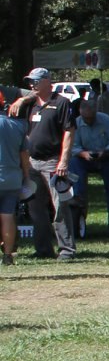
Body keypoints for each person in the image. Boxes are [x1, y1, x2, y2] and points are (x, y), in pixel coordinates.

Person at [13, 68, 76, 260]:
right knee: (35, 208)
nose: (32, 85)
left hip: (53, 162)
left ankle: (66, 250)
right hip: (32, 163)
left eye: (36, 81)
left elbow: (69, 131)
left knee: (60, 206)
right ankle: (43, 250)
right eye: (30, 81)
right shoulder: (30, 104)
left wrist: (63, 160)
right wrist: (22, 100)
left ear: (48, 81)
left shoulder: (61, 103)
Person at [67, 94, 109, 241]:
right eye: (87, 118)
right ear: (80, 112)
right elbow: (73, 146)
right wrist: (83, 153)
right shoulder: (77, 123)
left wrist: (106, 151)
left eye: (92, 118)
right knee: (74, 166)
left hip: (107, 156)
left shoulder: (106, 120)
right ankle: (78, 214)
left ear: (96, 112)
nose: (89, 121)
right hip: (84, 157)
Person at [0, 104, 26, 265]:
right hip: (12, 178)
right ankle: (8, 255)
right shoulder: (17, 126)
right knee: (7, 215)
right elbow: (24, 154)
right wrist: (27, 176)